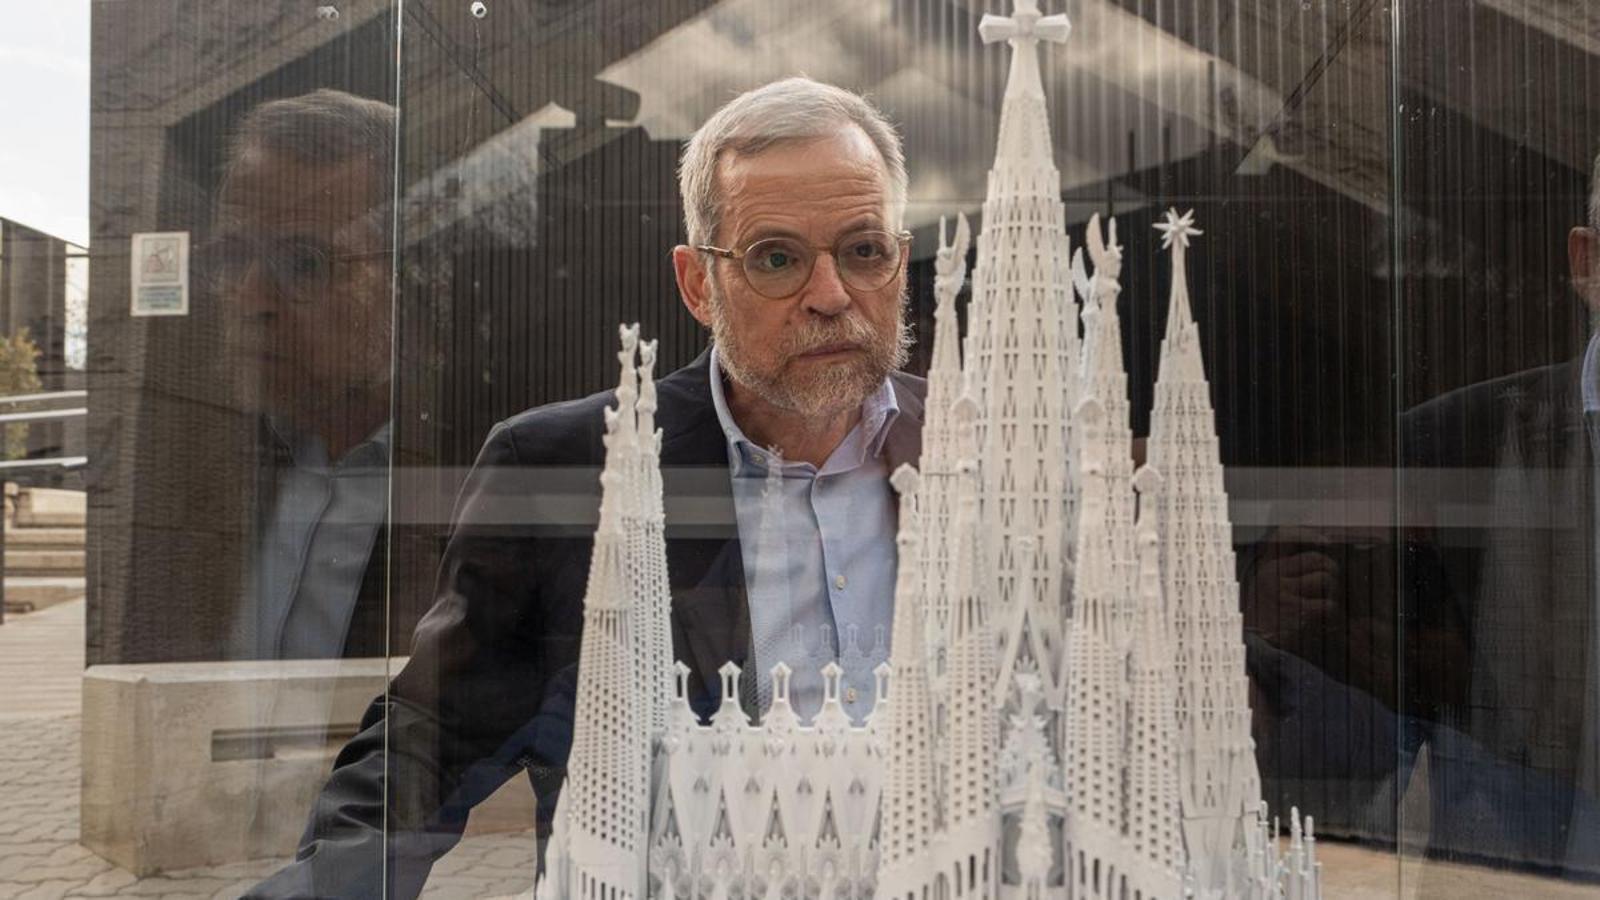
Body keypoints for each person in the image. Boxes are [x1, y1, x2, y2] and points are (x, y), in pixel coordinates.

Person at [248, 76, 924, 898]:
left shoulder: (986, 449)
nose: (830, 296)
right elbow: (430, 739)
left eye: (863, 250)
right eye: (776, 258)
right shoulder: (565, 467)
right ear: (698, 285)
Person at [205, 89, 397, 661]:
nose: (251, 299)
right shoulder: (229, 470)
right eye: (233, 256)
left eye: (303, 262)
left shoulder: (465, 482)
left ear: (401, 281)